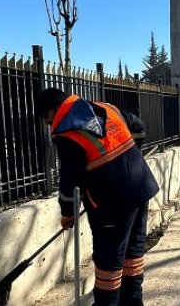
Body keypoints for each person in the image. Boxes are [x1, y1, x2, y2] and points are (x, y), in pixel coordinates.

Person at [35, 88, 159, 306]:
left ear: (56, 108)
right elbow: (138, 125)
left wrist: (67, 212)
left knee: (108, 266)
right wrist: (132, 158)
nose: (47, 123)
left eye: (46, 116)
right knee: (132, 254)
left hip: (112, 203)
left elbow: (71, 178)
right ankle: (133, 302)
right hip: (140, 187)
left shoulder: (66, 131)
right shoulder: (105, 108)